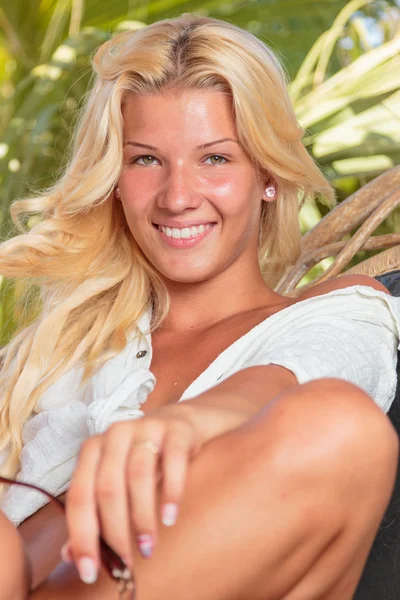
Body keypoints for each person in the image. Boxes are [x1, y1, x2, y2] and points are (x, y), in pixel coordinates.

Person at [0, 11, 399, 600]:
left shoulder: (332, 315)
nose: (178, 196)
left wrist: (187, 423)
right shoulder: (57, 347)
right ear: (113, 178)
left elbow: (280, 385)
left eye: (215, 158)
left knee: (338, 426)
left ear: (267, 172)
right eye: (145, 159)